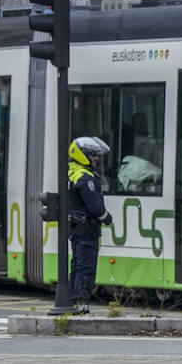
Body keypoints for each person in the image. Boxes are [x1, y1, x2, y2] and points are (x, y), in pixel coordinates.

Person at [67, 135, 113, 314]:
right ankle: (81, 303)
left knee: (76, 266)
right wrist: (107, 218)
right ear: (82, 155)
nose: (96, 158)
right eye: (92, 155)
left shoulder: (72, 172)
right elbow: (95, 207)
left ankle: (73, 300)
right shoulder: (86, 178)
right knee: (86, 267)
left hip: (76, 228)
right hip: (87, 229)